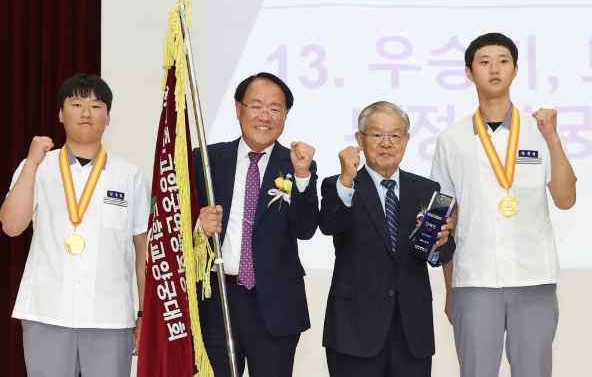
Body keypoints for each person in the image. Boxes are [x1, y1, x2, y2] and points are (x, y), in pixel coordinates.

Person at [430, 32, 576, 377]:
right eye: (484, 62)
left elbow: (566, 200)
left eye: (503, 61)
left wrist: (552, 138)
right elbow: (442, 218)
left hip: (534, 278)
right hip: (474, 280)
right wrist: (450, 290)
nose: (494, 68)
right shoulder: (451, 139)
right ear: (469, 73)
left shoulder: (541, 130)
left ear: (515, 70)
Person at [0, 74, 150, 377]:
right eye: (77, 103)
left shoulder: (130, 175)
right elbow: (12, 226)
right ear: (60, 113)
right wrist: (31, 163)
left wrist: (144, 314)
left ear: (108, 117)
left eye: (96, 105)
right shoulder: (38, 168)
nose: (86, 112)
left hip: (110, 317)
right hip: (47, 312)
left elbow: (143, 252)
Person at [195, 72, 319, 377]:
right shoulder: (206, 159)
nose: (266, 116)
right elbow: (180, 230)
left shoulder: (296, 165)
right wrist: (201, 229)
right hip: (216, 301)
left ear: (286, 115)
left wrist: (303, 176)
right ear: (238, 109)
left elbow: (304, 229)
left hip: (274, 306)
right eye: (256, 105)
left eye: (276, 108)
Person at [319, 101, 455, 377]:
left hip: (411, 327)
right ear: (360, 139)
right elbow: (329, 225)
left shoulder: (427, 189)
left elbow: (440, 255)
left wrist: (441, 242)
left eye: (395, 135)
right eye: (377, 135)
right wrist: (346, 180)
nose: (386, 143)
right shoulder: (340, 185)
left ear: (406, 140)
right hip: (355, 325)